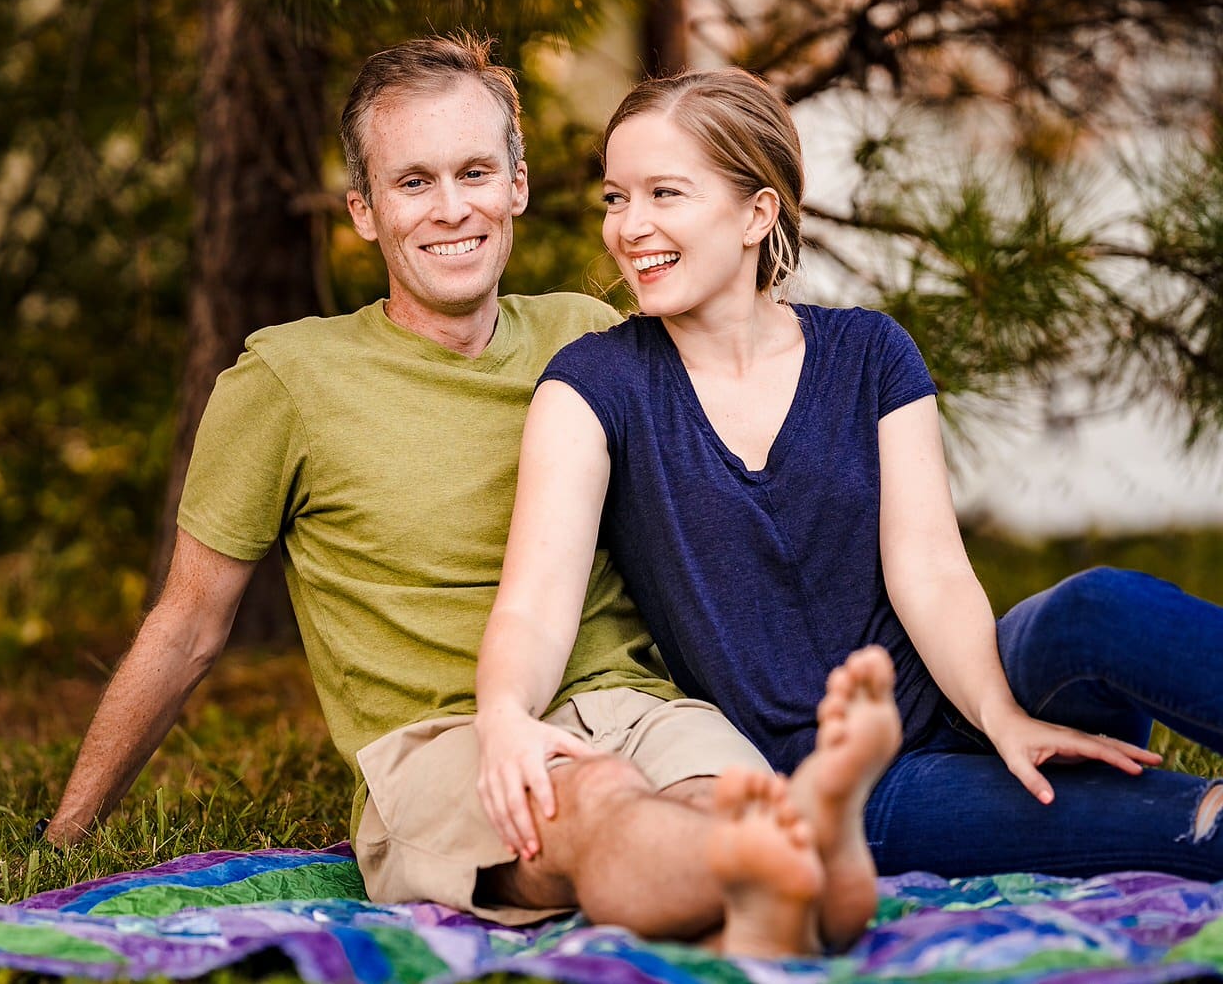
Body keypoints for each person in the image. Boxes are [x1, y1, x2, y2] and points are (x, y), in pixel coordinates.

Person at [43, 34, 897, 956]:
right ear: (364, 210)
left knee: (706, 791)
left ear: (518, 186)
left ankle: (772, 877)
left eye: (476, 172)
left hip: (638, 703)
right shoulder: (287, 379)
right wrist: (65, 835)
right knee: (594, 803)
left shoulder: (592, 337)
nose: (452, 208)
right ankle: (778, 870)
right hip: (444, 745)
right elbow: (188, 625)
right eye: (413, 182)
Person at [476, 66, 1223, 885]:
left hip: (965, 681)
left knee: (1095, 608)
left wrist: (1000, 712)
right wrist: (505, 714)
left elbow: (930, 567)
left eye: (665, 193)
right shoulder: (593, 386)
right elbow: (535, 603)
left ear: (758, 211)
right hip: (854, 783)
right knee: (1196, 826)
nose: (630, 226)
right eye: (616, 197)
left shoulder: (869, 353)